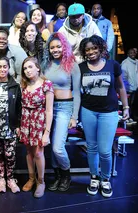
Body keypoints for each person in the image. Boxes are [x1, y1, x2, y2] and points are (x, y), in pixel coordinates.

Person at [78, 35, 129, 198]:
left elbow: (121, 87)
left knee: (105, 151)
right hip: (88, 111)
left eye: (94, 48)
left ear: (101, 48)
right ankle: (94, 177)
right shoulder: (80, 67)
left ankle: (105, 179)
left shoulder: (113, 65)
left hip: (109, 112)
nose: (91, 52)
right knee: (91, 148)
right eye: (87, 49)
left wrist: (126, 107)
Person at [41, 32, 81, 192]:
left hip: (65, 108)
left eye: (58, 46)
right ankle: (58, 176)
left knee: (58, 146)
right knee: (51, 146)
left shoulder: (72, 65)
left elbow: (77, 92)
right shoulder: (46, 64)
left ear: (64, 47)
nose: (55, 50)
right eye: (52, 47)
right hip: (48, 109)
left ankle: (66, 174)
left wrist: (75, 116)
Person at [20, 56, 54, 198]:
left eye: (30, 67)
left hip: (39, 121)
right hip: (26, 120)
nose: (27, 71)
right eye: (25, 68)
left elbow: (49, 110)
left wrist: (47, 132)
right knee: (28, 152)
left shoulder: (46, 84)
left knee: (39, 153)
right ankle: (31, 178)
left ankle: (41, 181)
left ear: (38, 67)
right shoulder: (23, 84)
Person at [0, 56, 22, 193]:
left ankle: (10, 178)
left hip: (10, 126)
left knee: (10, 155)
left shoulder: (15, 86)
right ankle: (1, 179)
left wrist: (19, 125)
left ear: (9, 68)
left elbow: (19, 107)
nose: (2, 69)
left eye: (5, 66)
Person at [121, 48, 138, 119]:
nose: (133, 54)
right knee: (128, 104)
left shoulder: (137, 62)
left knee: (134, 103)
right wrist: (126, 87)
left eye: (134, 53)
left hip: (136, 87)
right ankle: (128, 117)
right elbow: (123, 77)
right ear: (128, 54)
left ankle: (132, 116)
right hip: (128, 88)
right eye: (131, 53)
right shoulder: (125, 63)